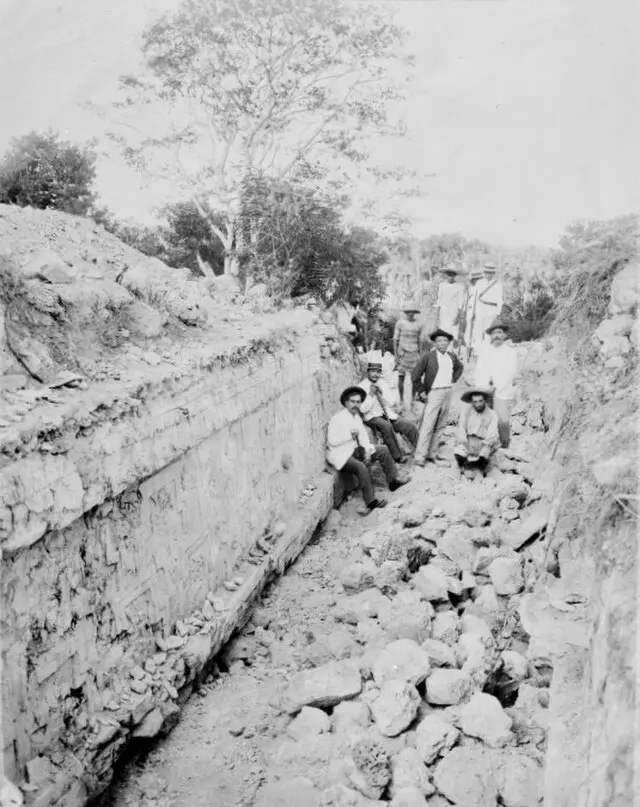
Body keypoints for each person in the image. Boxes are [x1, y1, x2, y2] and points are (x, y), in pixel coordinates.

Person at [326, 386, 409, 513]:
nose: (355, 405)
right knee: (361, 467)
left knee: (383, 450)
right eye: (352, 402)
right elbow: (332, 441)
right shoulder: (337, 418)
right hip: (341, 454)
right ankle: (370, 501)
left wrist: (369, 451)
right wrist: (349, 435)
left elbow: (364, 438)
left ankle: (393, 481)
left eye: (358, 402)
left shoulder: (357, 417)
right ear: (346, 403)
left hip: (355, 450)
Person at [411, 328, 464, 466]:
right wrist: (421, 391)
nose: (442, 343)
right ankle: (420, 456)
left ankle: (432, 454)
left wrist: (453, 379)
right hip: (434, 392)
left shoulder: (451, 356)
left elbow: (460, 367)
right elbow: (415, 375)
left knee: (441, 425)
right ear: (435, 342)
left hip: (447, 392)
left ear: (448, 343)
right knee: (428, 424)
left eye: (445, 340)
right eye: (439, 340)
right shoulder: (428, 357)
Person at [358, 355, 419, 463]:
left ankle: (421, 449)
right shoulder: (361, 387)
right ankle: (397, 457)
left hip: (387, 413)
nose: (375, 374)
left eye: (378, 372)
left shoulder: (382, 383)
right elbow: (363, 409)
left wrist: (382, 394)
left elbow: (391, 402)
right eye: (373, 371)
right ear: (368, 372)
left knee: (408, 425)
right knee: (386, 426)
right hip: (372, 416)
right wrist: (371, 395)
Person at [474, 320, 519, 448]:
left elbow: (510, 372)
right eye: (494, 333)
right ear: (491, 336)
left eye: (499, 332)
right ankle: (485, 446)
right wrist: (482, 387)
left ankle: (505, 445)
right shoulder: (485, 352)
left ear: (504, 335)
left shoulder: (510, 352)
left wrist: (496, 386)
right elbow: (479, 371)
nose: (496, 335)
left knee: (502, 421)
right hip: (485, 390)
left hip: (502, 390)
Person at [454, 388, 500, 475]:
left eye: (480, 401)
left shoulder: (492, 414)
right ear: (472, 402)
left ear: (485, 400)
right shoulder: (466, 411)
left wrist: (483, 445)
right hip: (469, 442)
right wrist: (466, 444)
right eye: (475, 402)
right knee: (458, 451)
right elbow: (461, 429)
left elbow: (492, 434)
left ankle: (479, 468)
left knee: (484, 454)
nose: (478, 404)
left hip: (484, 443)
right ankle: (464, 467)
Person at [393, 302, 425, 406]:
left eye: (412, 312)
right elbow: (395, 340)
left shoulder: (419, 324)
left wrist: (419, 354)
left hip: (414, 354)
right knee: (401, 377)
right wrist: (396, 355)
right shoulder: (400, 323)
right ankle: (401, 399)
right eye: (408, 312)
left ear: (415, 313)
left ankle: (412, 399)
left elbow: (420, 341)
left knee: (414, 378)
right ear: (406, 312)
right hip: (402, 354)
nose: (410, 314)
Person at [435, 263, 466, 343]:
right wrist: (437, 316)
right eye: (449, 275)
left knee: (453, 332)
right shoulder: (442, 285)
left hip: (453, 311)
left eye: (452, 275)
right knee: (443, 332)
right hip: (444, 312)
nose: (450, 277)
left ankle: (452, 351)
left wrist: (457, 316)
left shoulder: (459, 286)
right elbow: (439, 300)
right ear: (446, 275)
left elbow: (461, 302)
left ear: (455, 276)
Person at [474, 262, 504, 344]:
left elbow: (500, 300)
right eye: (487, 272)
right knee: (478, 331)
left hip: (491, 309)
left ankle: (487, 350)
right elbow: (475, 298)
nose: (488, 274)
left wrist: (497, 313)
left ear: (494, 273)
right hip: (480, 308)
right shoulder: (479, 283)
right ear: (484, 273)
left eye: (491, 272)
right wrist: (474, 311)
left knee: (488, 331)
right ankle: (477, 351)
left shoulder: (498, 284)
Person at [461, 268, 483, 360]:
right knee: (468, 333)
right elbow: (465, 302)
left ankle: (476, 354)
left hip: (477, 314)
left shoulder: (480, 290)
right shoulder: (470, 289)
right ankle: (468, 354)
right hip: (469, 314)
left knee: (477, 333)